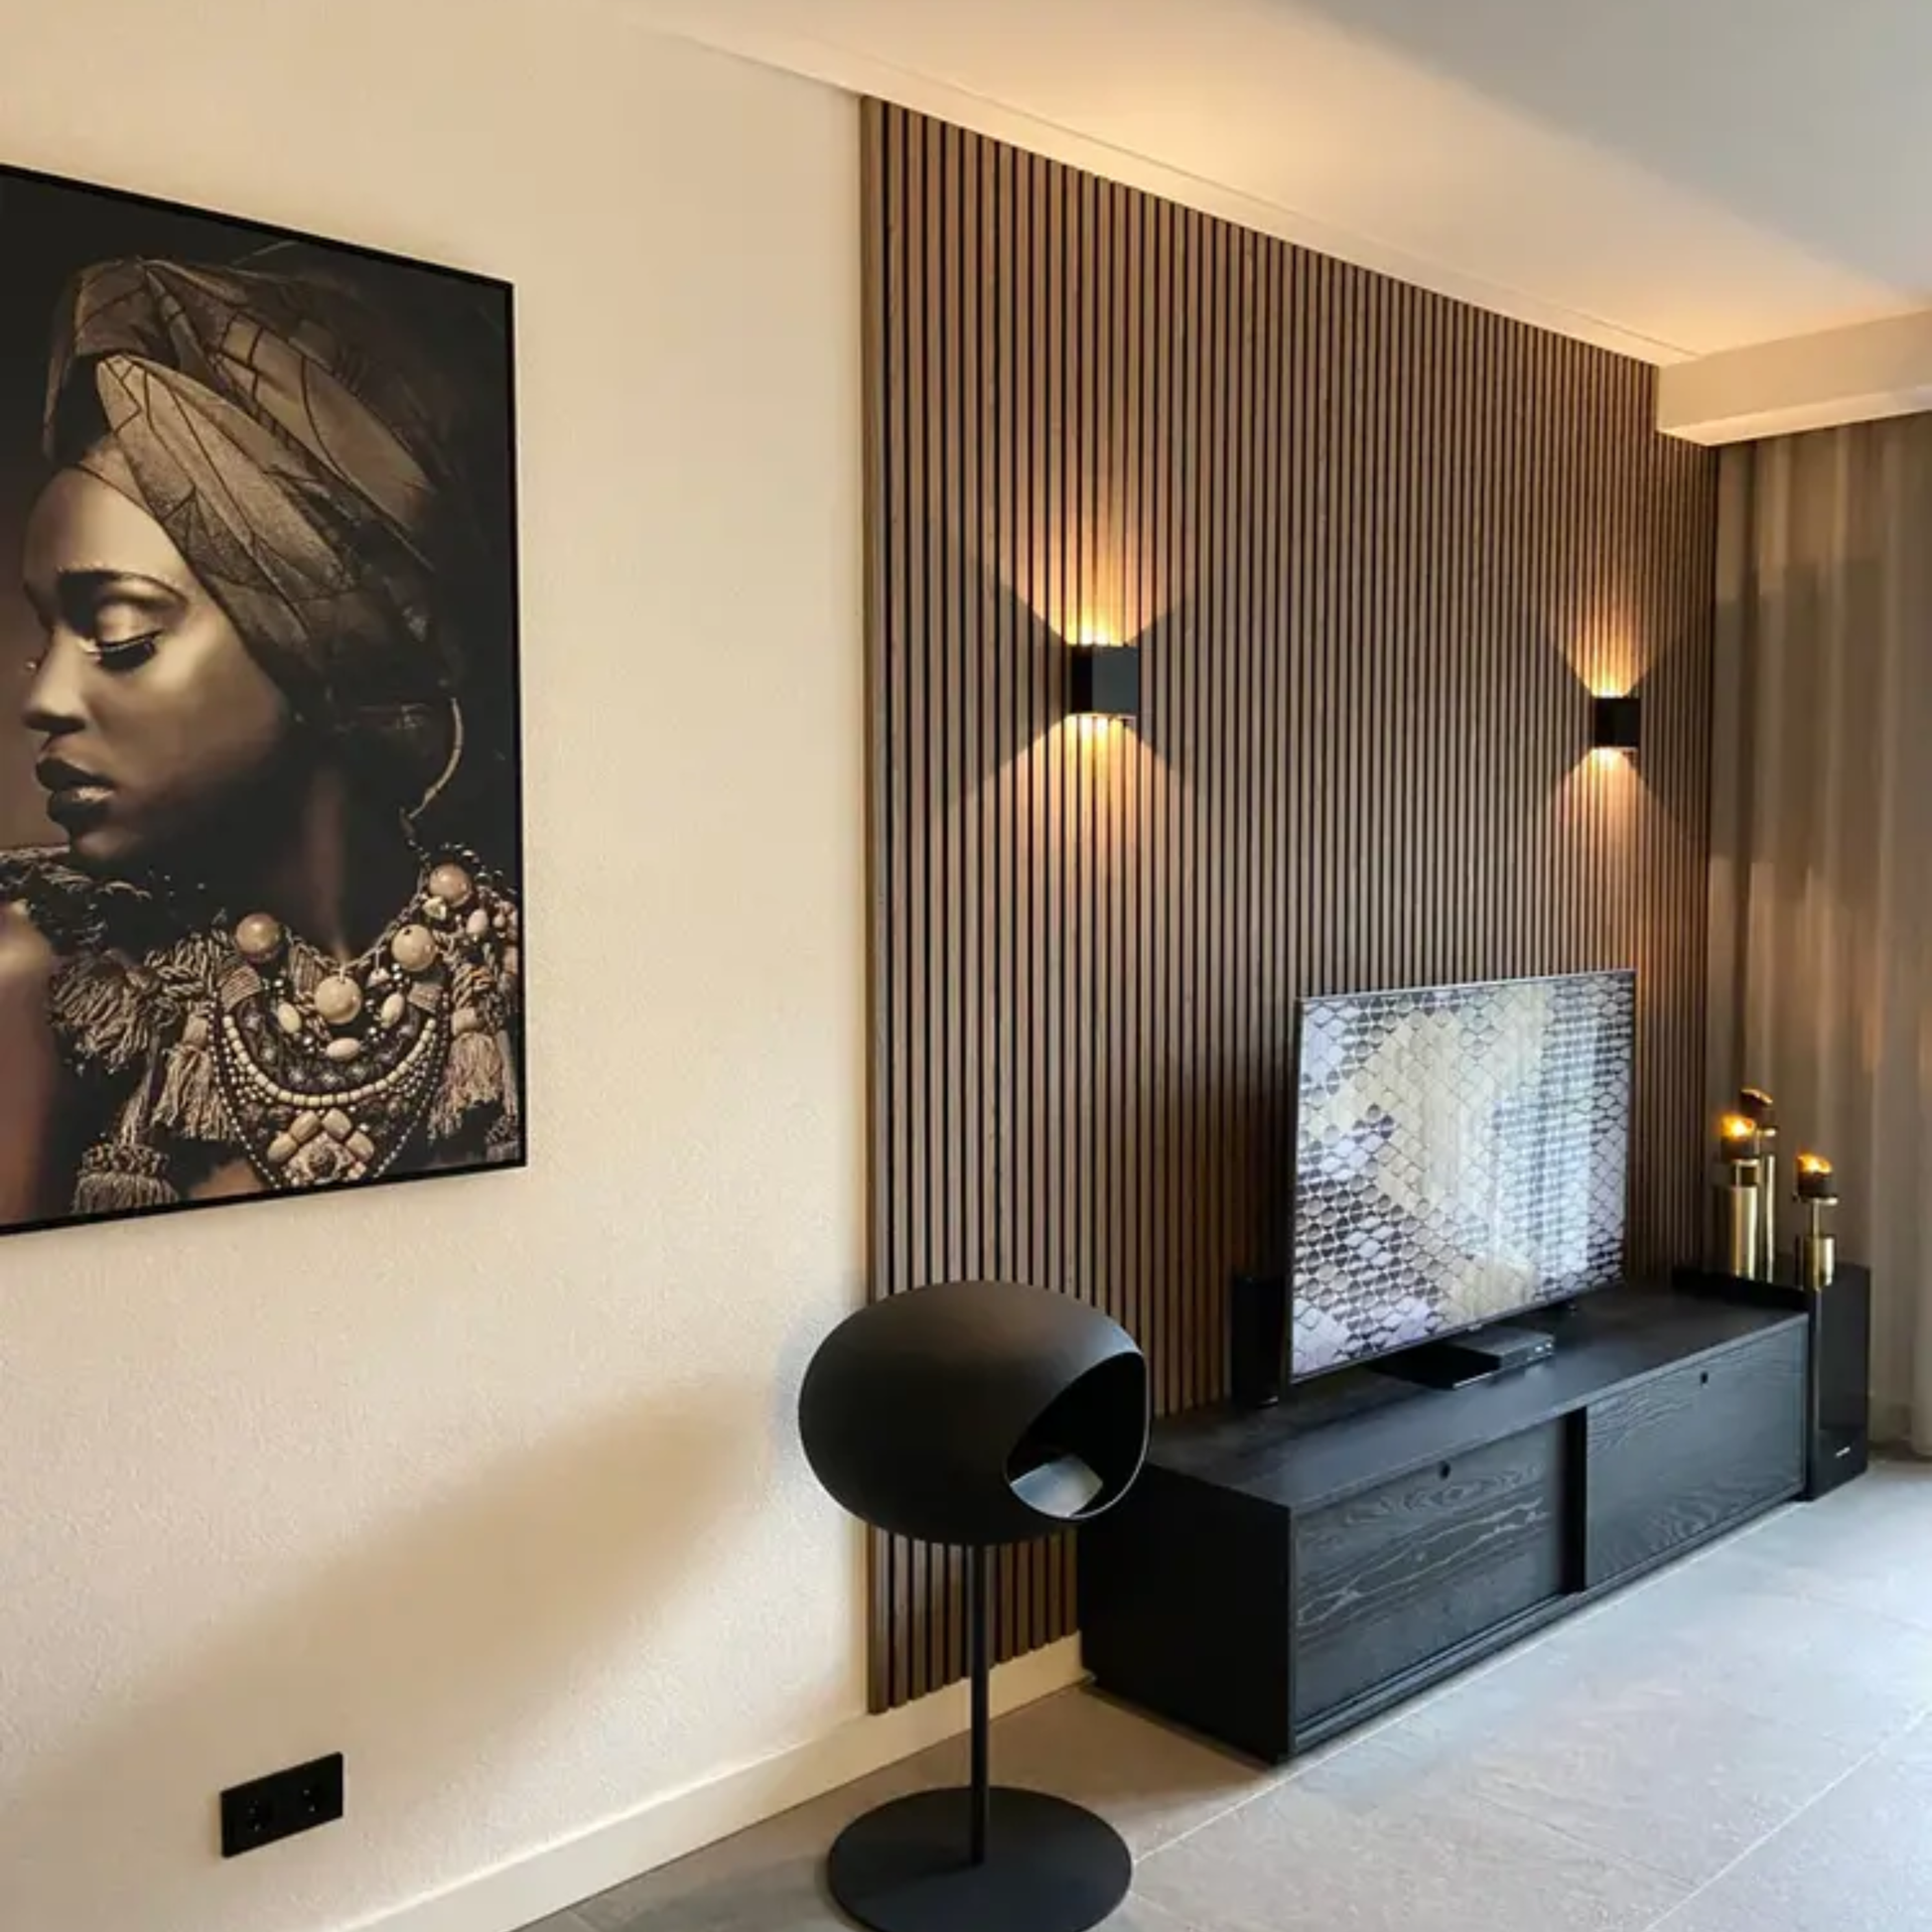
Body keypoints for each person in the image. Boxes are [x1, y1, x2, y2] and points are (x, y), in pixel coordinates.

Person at [0, 251, 521, 1227]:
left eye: (120, 634)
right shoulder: (49, 981)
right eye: (44, 638)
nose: (46, 698)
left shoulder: (520, 966)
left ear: (321, 640)